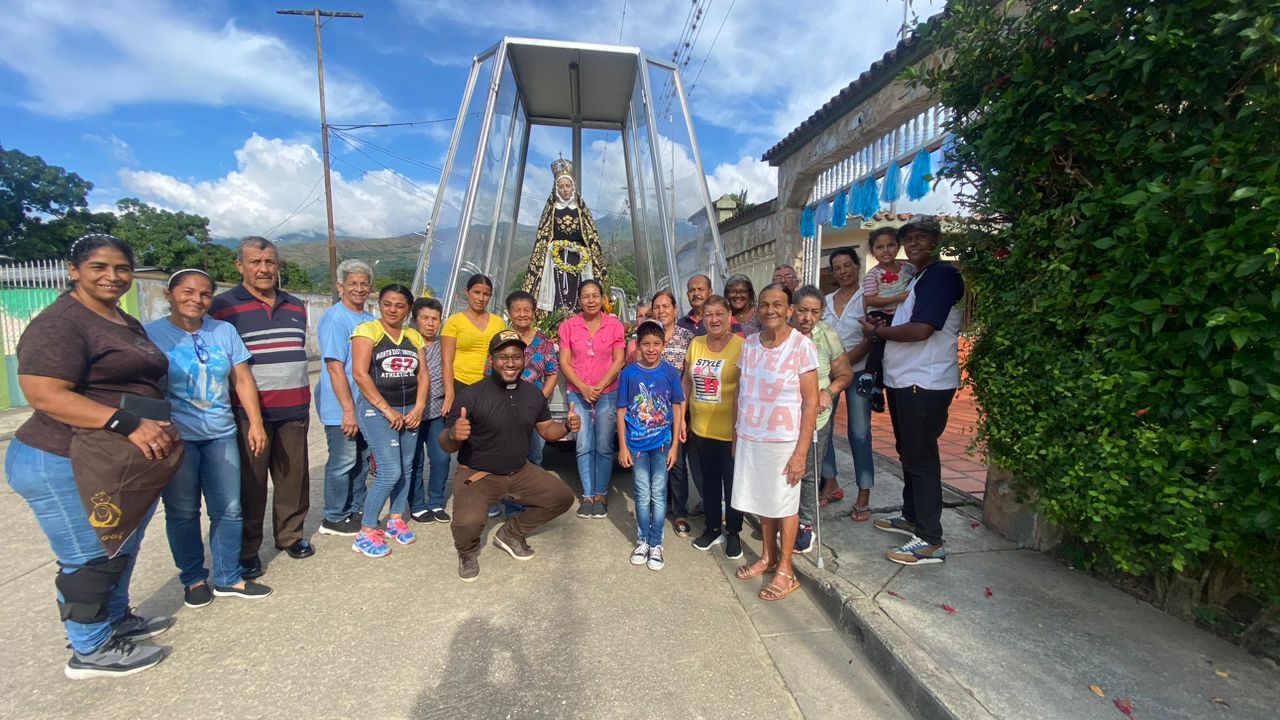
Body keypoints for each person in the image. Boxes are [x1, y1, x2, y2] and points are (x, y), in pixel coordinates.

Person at [6, 234, 177, 678]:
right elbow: (43, 393)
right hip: (61, 457)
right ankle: (90, 648)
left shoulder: (120, 319)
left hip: (110, 460)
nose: (113, 276)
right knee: (88, 556)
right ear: (73, 270)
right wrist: (129, 423)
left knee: (119, 542)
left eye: (121, 268)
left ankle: (116, 618)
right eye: (99, 267)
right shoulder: (62, 322)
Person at [146, 269, 274, 608]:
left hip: (220, 434)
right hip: (176, 439)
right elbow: (142, 386)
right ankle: (193, 579)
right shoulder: (151, 335)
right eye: (188, 292)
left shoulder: (224, 331)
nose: (196, 300)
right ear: (169, 294)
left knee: (229, 508)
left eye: (204, 294)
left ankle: (229, 576)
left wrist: (256, 424)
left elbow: (242, 379)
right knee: (183, 511)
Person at [861, 216, 964, 566]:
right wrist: (886, 325)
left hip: (926, 381)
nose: (914, 244)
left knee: (921, 457)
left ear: (935, 241)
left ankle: (931, 540)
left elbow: (922, 329)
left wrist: (879, 334)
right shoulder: (920, 277)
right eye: (910, 240)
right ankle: (912, 516)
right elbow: (909, 321)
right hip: (907, 380)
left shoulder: (942, 276)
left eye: (922, 238)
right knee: (908, 450)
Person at [440, 330, 581, 582]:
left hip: (519, 471)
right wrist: (453, 435)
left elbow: (547, 430)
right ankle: (468, 552)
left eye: (516, 356)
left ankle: (511, 533)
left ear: (524, 359)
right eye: (503, 356)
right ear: (491, 359)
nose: (510, 362)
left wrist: (567, 427)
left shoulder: (532, 394)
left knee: (562, 498)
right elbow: (446, 445)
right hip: (478, 473)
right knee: (467, 524)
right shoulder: (471, 395)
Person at [211, 236, 314, 577]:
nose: (264, 268)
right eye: (255, 262)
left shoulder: (296, 305)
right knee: (251, 485)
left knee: (293, 479)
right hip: (249, 414)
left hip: (294, 409)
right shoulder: (223, 307)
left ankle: (290, 536)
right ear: (240, 266)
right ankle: (248, 549)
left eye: (269, 262)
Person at [732, 283, 818, 602]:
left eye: (778, 304)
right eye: (765, 304)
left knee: (784, 503)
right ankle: (767, 558)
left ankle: (786, 568)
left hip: (785, 440)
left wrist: (801, 453)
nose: (771, 310)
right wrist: (736, 434)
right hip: (752, 437)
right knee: (763, 501)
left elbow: (810, 402)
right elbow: (740, 393)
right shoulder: (750, 345)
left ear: (790, 310)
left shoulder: (801, 346)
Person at [348, 285, 430, 558]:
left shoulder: (413, 336)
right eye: (387, 304)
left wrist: (419, 407)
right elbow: (360, 374)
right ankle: (366, 531)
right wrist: (386, 409)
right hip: (379, 410)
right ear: (380, 305)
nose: (393, 310)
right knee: (389, 470)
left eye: (400, 305)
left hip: (409, 410)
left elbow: (423, 375)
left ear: (408, 309)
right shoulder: (368, 331)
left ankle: (395, 519)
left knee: (406, 467)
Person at [617, 320, 686, 571]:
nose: (651, 349)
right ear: (637, 346)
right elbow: (621, 409)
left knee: (658, 493)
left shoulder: (669, 373)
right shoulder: (629, 373)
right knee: (642, 494)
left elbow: (678, 407)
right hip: (636, 446)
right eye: (645, 344)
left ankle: (656, 543)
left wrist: (675, 446)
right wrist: (623, 446)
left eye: (656, 344)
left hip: (661, 445)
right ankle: (643, 540)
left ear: (663, 345)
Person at [791, 285, 854, 554]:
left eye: (814, 312)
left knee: (809, 469)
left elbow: (844, 374)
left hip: (816, 417)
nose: (807, 317)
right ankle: (784, 516)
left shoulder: (826, 335)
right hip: (784, 416)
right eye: (803, 310)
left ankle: (805, 524)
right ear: (792, 309)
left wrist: (829, 392)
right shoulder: (783, 334)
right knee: (785, 468)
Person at [315, 259, 374, 537]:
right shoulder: (336, 318)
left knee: (361, 459)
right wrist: (347, 410)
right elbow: (334, 366)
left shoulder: (368, 320)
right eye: (353, 284)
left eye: (364, 284)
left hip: (364, 403)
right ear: (341, 287)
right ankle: (334, 516)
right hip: (342, 403)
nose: (359, 289)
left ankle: (355, 508)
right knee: (343, 460)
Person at [558, 280, 626, 518]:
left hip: (608, 393)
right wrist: (584, 388)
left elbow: (619, 360)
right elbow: (565, 362)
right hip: (578, 394)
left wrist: (599, 385)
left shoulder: (615, 325)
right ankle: (587, 495)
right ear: (579, 300)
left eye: (595, 295)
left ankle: (601, 493)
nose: (591, 300)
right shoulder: (568, 326)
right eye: (586, 296)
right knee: (584, 444)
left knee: (604, 446)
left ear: (602, 298)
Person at [684, 295, 745, 559]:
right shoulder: (696, 344)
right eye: (709, 315)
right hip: (701, 428)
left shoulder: (741, 346)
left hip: (730, 431)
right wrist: (680, 420)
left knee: (733, 484)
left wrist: (738, 430)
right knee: (708, 483)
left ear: (729, 315)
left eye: (719, 314)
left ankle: (733, 532)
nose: (714, 320)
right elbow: (686, 382)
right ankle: (711, 528)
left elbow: (745, 390)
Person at [823, 247, 877, 521]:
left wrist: (842, 364)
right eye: (837, 267)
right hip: (829, 375)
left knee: (859, 433)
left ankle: (864, 492)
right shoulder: (827, 301)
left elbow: (871, 338)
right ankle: (830, 483)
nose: (843, 271)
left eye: (847, 265)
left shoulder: (867, 298)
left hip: (857, 372)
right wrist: (833, 368)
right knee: (823, 429)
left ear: (857, 266)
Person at [522, 159, 608, 313]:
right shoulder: (551, 209)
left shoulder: (581, 210)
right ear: (556, 189)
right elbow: (544, 235)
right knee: (558, 287)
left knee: (577, 286)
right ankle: (557, 315)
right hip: (557, 257)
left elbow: (591, 237)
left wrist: (584, 251)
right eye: (561, 186)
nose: (565, 190)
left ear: (573, 187)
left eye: (568, 186)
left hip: (579, 257)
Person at [649, 290, 698, 536]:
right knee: (652, 459)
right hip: (650, 411)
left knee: (676, 461)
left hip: (678, 408)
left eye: (665, 306)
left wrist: (682, 415)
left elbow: (688, 378)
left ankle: (679, 512)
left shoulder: (688, 338)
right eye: (656, 307)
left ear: (675, 309)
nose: (661, 311)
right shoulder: (648, 337)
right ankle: (654, 505)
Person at [856, 228, 918, 410]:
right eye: (880, 247)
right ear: (873, 251)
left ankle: (878, 386)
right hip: (880, 314)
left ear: (898, 246)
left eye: (890, 245)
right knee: (880, 345)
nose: (886, 250)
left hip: (902, 315)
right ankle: (868, 375)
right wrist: (896, 298)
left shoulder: (909, 268)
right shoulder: (873, 275)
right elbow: (870, 299)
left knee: (890, 353)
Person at [500, 290, 560, 465]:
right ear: (509, 313)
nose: (522, 314)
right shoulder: (502, 340)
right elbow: (490, 371)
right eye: (517, 310)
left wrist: (540, 399)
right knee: (508, 453)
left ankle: (531, 491)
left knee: (535, 455)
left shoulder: (544, 342)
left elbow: (552, 373)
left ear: (533, 313)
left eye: (527, 310)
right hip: (506, 404)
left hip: (535, 405)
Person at [408, 297, 451, 524]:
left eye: (435, 319)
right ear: (415, 320)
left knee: (441, 457)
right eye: (425, 318)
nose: (430, 323)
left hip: (437, 411)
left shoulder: (444, 343)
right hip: (413, 412)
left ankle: (435, 501)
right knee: (414, 461)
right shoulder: (407, 342)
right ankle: (417, 505)